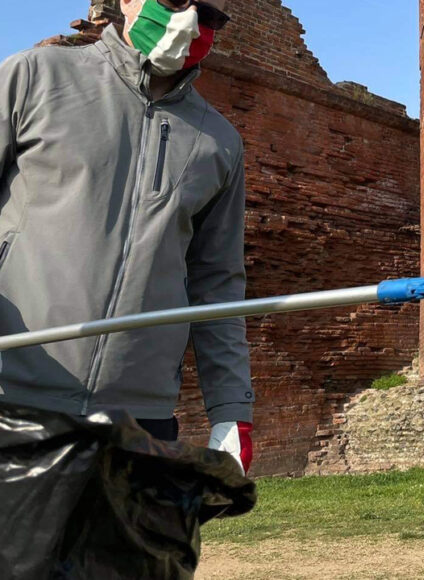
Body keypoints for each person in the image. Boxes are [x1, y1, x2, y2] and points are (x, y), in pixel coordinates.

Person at [0, 0, 254, 473]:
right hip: (14, 396)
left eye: (210, 15)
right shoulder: (34, 76)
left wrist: (232, 410)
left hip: (141, 419)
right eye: (176, 1)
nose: (190, 22)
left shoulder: (219, 142)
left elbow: (218, 285)